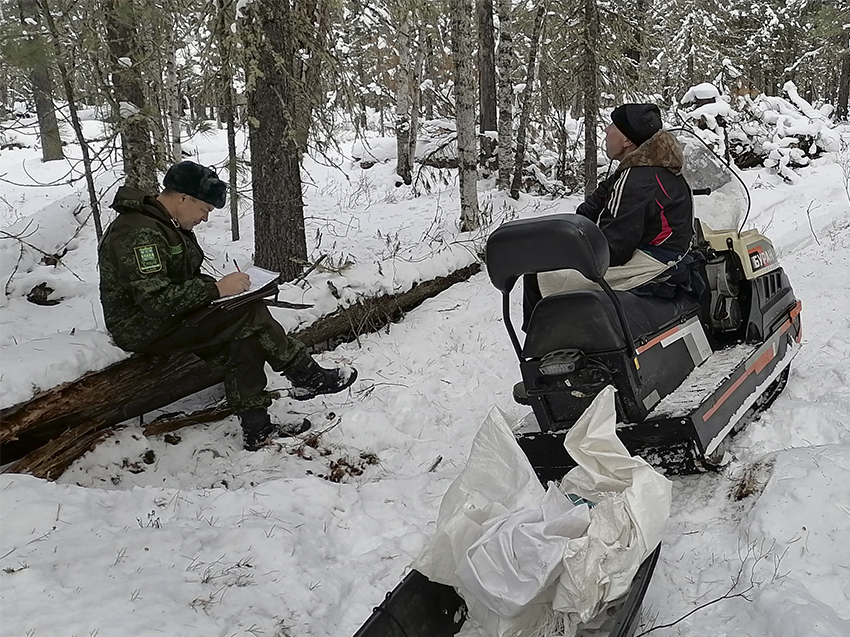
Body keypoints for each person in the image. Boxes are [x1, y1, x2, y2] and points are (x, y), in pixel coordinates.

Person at [98, 161, 357, 451]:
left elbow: (177, 280)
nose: (205, 219)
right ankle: (307, 375)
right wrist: (216, 290)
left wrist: (222, 291)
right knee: (249, 314)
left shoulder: (164, 224)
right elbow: (155, 300)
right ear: (183, 198)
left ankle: (257, 429)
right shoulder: (139, 232)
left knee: (243, 335)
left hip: (165, 317)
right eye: (205, 210)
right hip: (139, 326)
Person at [525, 103, 696, 325]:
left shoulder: (637, 179)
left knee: (539, 276)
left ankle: (542, 349)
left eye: (613, 125)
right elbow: (594, 206)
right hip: (670, 259)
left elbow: (614, 249)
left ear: (627, 141)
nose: (606, 130)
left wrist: (570, 255)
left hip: (648, 267)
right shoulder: (655, 168)